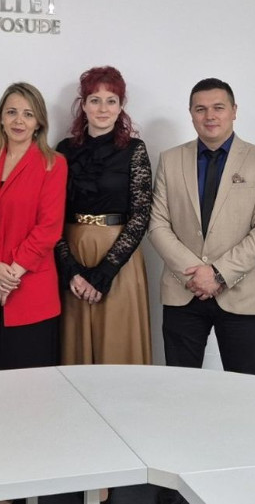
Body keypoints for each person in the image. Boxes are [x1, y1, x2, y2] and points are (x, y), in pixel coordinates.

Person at [149, 78, 255, 376]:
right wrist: (196, 275)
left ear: (234, 110)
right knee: (180, 386)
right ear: (191, 113)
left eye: (218, 107)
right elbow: (157, 224)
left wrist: (218, 273)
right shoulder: (170, 160)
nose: (209, 116)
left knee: (244, 387)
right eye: (201, 109)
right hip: (183, 290)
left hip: (239, 292)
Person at [55, 66, 153, 365]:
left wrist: (104, 274)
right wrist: (71, 270)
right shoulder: (63, 150)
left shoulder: (135, 150)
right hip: (73, 254)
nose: (102, 108)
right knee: (75, 350)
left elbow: (141, 216)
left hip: (119, 259)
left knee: (118, 346)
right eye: (95, 100)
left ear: (121, 107)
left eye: (111, 101)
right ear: (83, 105)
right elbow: (52, 216)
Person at [0, 82, 68, 370]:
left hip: (31, 290)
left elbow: (48, 229)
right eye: (11, 112)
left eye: (28, 114)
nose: (19, 121)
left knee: (29, 386)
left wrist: (9, 277)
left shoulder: (54, 163)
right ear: (1, 118)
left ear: (39, 123)